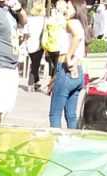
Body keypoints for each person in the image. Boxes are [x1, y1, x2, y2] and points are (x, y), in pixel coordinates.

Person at [49, 0, 85, 128]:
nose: (66, 9)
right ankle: (73, 142)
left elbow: (77, 36)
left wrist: (69, 56)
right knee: (71, 115)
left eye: (69, 7)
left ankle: (57, 144)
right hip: (78, 71)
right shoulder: (79, 23)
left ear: (76, 9)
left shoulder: (71, 23)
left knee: (55, 114)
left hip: (66, 69)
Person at [24, 1, 46, 92]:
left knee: (34, 63)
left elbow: (25, 33)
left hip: (30, 44)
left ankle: (36, 82)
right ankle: (30, 83)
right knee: (35, 65)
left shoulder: (29, 19)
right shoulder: (43, 20)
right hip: (39, 45)